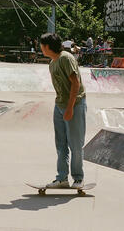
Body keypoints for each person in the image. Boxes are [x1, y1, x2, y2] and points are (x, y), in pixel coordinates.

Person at [40, 33, 87, 189]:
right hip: (59, 105)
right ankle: (62, 178)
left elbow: (75, 83)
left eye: (41, 45)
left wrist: (70, 108)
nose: (40, 48)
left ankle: (78, 178)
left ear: (47, 46)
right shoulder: (52, 63)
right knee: (60, 144)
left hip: (74, 104)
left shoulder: (65, 58)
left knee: (75, 144)